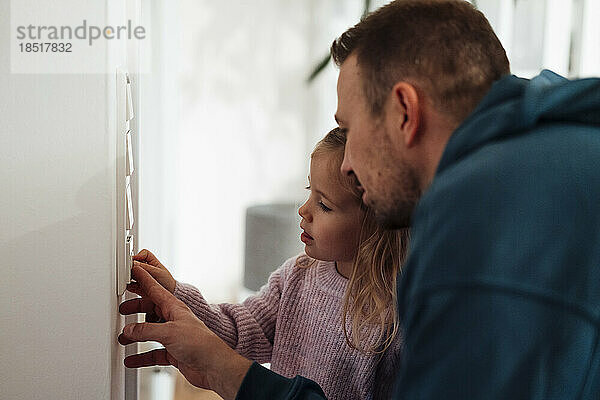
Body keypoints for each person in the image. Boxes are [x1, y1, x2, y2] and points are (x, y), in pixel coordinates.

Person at [119, 0, 600, 398]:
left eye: (349, 131)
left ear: (405, 112)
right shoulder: (559, 152)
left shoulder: (485, 219)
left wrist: (233, 376)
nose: (346, 163)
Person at [122, 128, 409, 399]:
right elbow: (237, 331)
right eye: (310, 190)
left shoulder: (399, 310)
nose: (304, 209)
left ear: (377, 223)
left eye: (324, 205)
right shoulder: (297, 276)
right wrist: (176, 294)